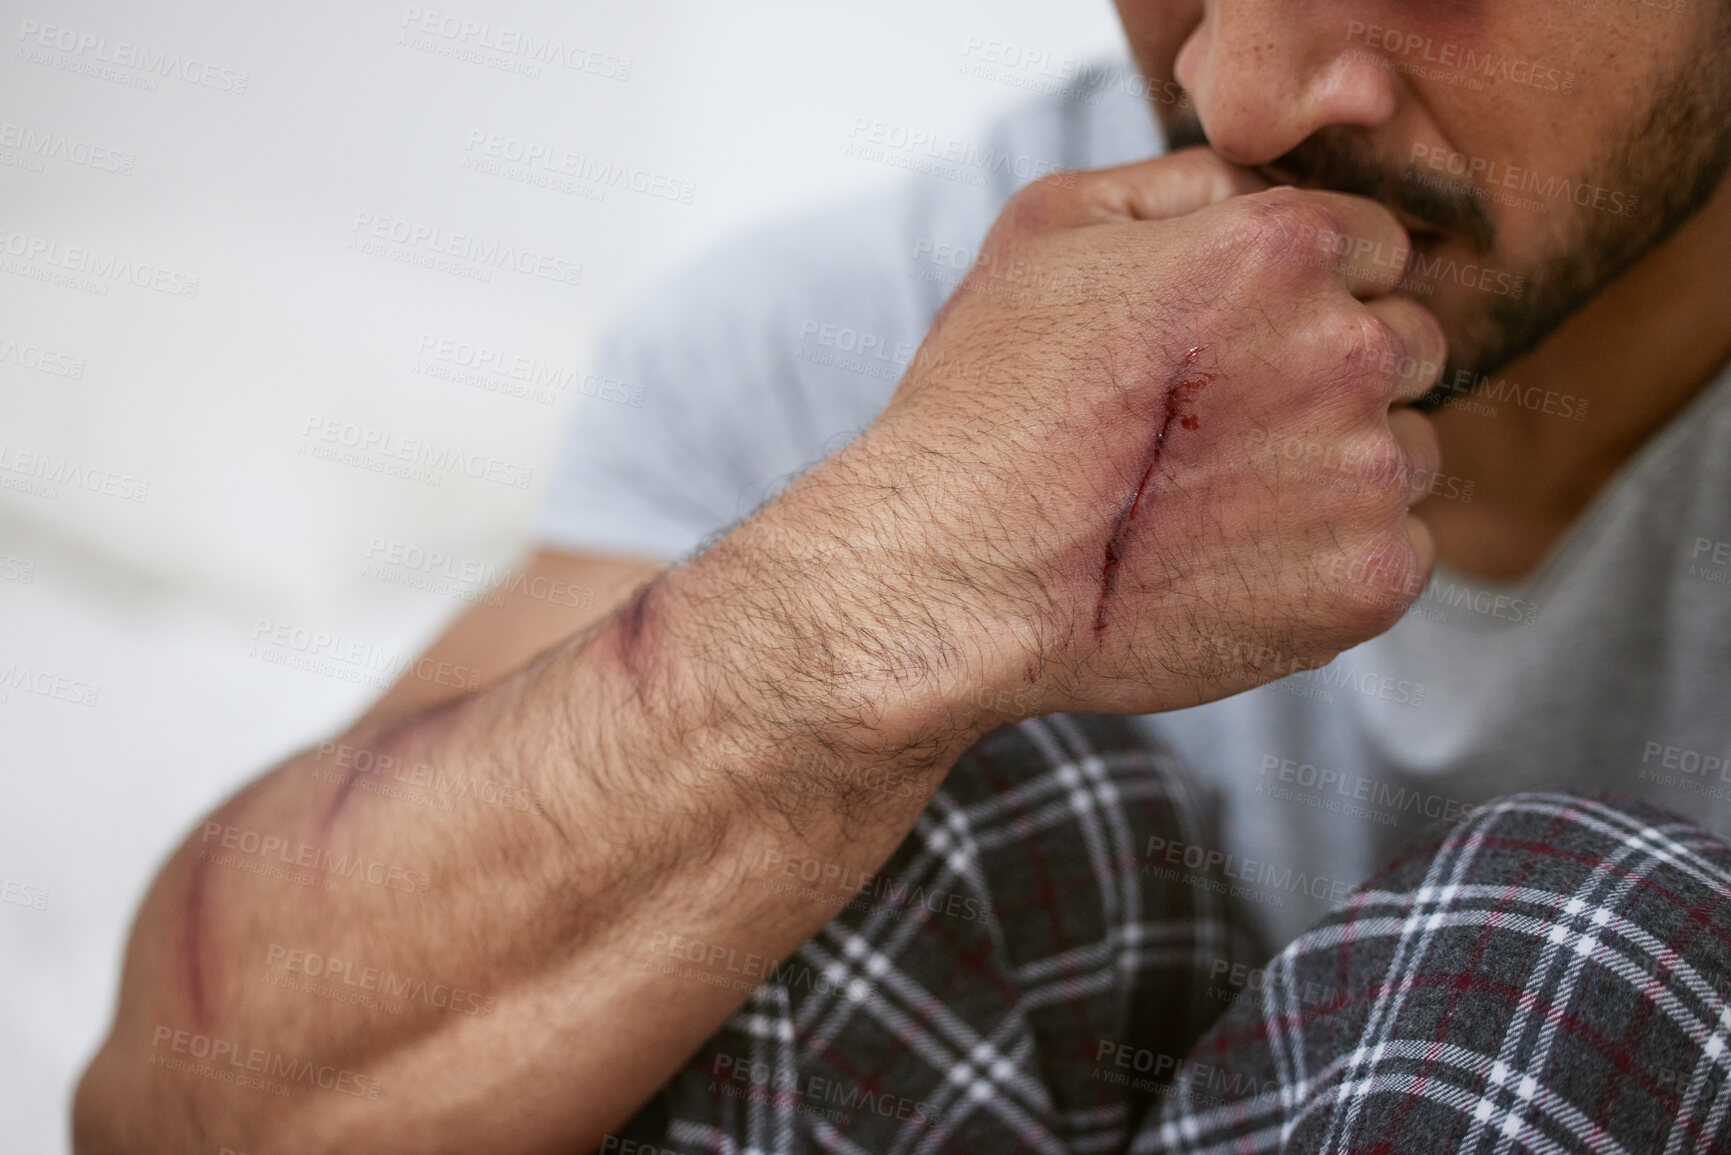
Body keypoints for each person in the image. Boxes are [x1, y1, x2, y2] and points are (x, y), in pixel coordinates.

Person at [74, 2, 1731, 1152]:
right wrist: (898, 576)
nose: (1243, 93)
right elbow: (176, 1104)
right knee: (940, 814)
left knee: (1576, 952)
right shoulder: (864, 330)